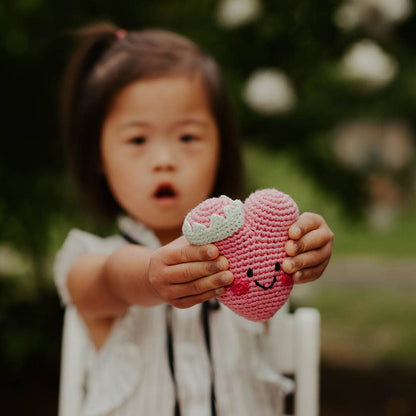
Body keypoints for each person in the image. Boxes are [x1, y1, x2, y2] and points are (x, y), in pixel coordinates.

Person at [54, 21, 334, 416]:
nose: (165, 160)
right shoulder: (88, 259)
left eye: (187, 137)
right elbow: (111, 279)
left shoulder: (255, 250)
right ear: (98, 155)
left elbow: (282, 267)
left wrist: (304, 249)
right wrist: (151, 275)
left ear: (221, 146)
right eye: (137, 140)